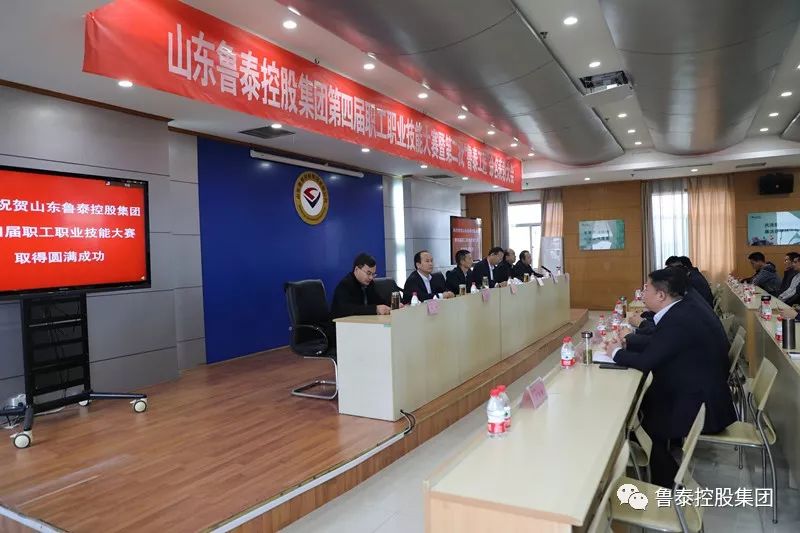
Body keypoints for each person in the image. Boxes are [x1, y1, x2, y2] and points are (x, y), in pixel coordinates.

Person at [604, 267, 736, 488]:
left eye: (646, 288)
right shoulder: (682, 309)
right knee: (644, 402)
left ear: (661, 295)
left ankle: (666, 482)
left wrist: (615, 353)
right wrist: (629, 344)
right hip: (701, 387)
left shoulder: (679, 319)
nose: (642, 293)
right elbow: (662, 344)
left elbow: (647, 361)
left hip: (703, 403)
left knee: (641, 417)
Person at [331, 253, 391, 318]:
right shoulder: (345, 285)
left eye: (373, 274)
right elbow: (348, 310)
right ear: (356, 269)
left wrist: (391, 305)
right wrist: (375, 309)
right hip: (342, 323)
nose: (371, 277)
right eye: (368, 273)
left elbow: (379, 301)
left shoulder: (370, 283)